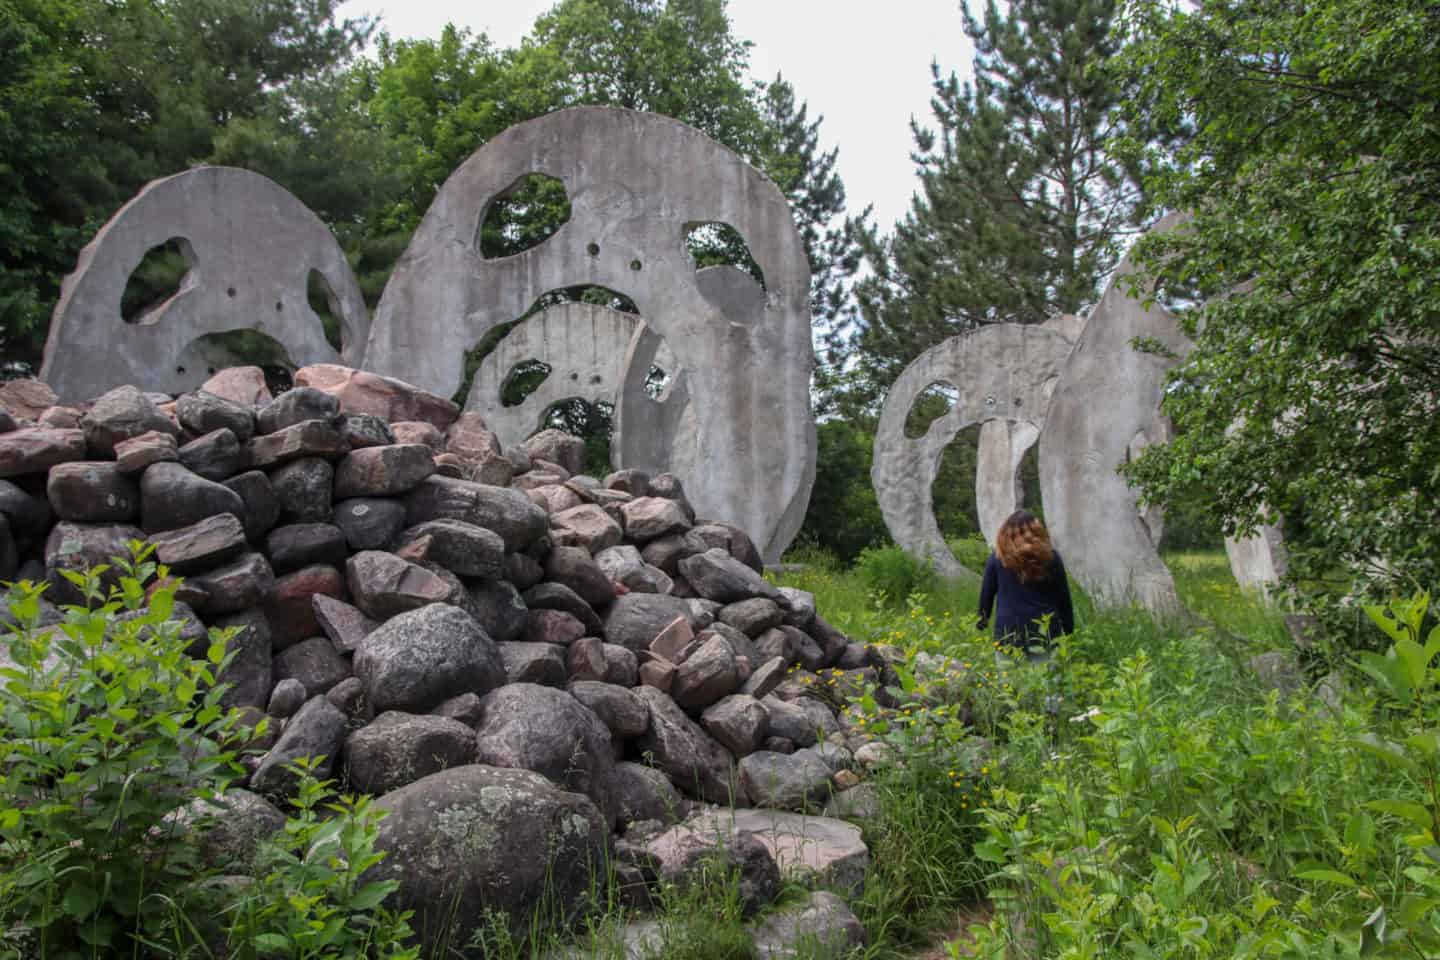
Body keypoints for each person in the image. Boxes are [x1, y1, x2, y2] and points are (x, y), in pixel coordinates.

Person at [977, 509, 1075, 661]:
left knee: (1008, 683)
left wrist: (982, 621)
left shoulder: (997, 559)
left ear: (1005, 533)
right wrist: (1069, 630)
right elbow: (1063, 597)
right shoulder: (1051, 558)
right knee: (1046, 682)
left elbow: (987, 594)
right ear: (1037, 532)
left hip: (1007, 632)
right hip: (1045, 632)